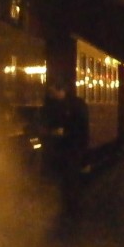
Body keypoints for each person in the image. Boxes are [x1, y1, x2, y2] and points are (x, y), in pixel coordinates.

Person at [41, 81, 89, 224]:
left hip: (72, 149)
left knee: (71, 181)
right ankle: (66, 210)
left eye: (52, 91)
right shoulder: (54, 104)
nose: (51, 95)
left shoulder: (77, 105)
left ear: (60, 89)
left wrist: (64, 132)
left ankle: (73, 212)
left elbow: (82, 129)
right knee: (64, 181)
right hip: (60, 150)